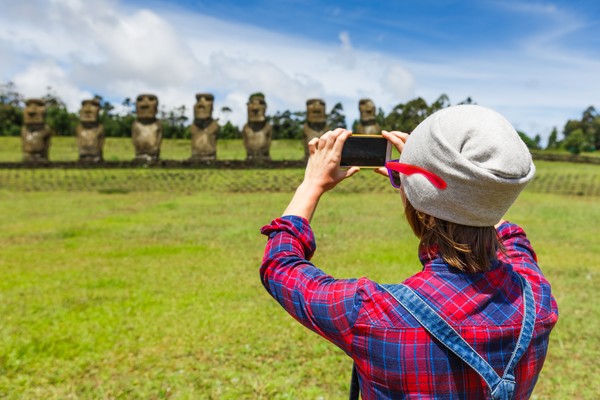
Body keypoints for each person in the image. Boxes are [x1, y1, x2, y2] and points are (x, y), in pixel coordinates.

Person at [260, 105, 558, 399]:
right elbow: (510, 234)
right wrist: (437, 181)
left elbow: (281, 267)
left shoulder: (373, 314)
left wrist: (311, 185)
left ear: (422, 206)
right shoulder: (537, 296)